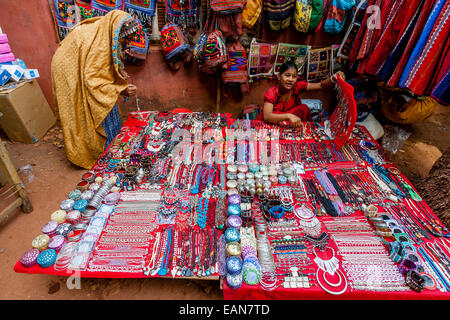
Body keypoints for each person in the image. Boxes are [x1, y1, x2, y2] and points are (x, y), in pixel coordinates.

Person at [51, 10, 140, 169]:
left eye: (130, 39)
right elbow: (95, 83)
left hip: (81, 64)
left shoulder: (108, 33)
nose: (128, 43)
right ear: (118, 32)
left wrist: (120, 76)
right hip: (69, 69)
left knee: (103, 103)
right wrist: (121, 89)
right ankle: (96, 153)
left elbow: (108, 65)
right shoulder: (100, 44)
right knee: (81, 109)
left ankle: (112, 145)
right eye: (126, 38)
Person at [258, 61, 345, 127]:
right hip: (269, 124)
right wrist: (289, 116)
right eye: (287, 75)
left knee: (303, 108)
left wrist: (333, 78)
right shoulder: (272, 93)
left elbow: (321, 85)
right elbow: (267, 116)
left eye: (294, 76)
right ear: (279, 76)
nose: (290, 79)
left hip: (286, 123)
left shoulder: (297, 87)